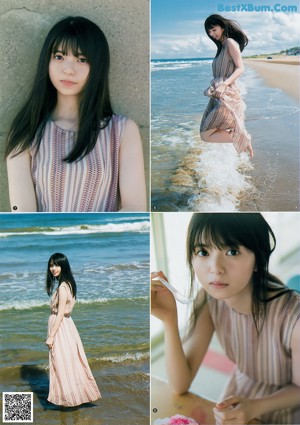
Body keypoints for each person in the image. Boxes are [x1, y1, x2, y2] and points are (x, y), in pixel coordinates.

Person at [151, 213, 300, 424]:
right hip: (238, 399)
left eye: (232, 251)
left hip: (287, 408)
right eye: (203, 251)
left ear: (258, 259)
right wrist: (169, 319)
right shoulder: (209, 300)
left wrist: (255, 407)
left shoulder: (293, 317)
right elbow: (179, 384)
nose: (215, 268)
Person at [5, 16, 146, 212]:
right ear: (47, 61)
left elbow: (135, 208)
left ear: (97, 66)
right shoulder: (26, 130)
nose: (69, 70)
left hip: (105, 241)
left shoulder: (122, 131)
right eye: (59, 57)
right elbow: (23, 216)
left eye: (81, 59)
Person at [46, 253, 101, 406]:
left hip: (61, 327)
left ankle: (69, 399)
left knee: (61, 363)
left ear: (63, 266)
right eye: (51, 265)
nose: (53, 268)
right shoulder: (69, 283)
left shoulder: (63, 288)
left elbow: (60, 315)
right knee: (70, 362)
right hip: (67, 326)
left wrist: (51, 336)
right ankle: (76, 396)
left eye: (56, 265)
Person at [200, 15, 253, 157]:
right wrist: (213, 88)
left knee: (206, 134)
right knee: (205, 132)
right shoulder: (221, 48)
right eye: (209, 32)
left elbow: (240, 68)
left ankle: (243, 137)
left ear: (222, 26)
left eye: (213, 30)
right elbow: (219, 75)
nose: (211, 34)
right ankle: (241, 136)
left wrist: (224, 84)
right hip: (217, 95)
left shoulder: (230, 42)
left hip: (227, 95)